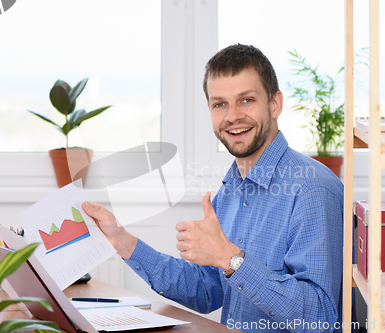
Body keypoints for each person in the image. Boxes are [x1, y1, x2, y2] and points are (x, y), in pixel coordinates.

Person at [83, 44, 344, 333]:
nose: (232, 116)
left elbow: (320, 317)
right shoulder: (231, 191)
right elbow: (208, 291)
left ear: (275, 104)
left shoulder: (313, 189)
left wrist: (230, 258)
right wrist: (123, 241)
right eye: (219, 104)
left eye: (246, 100)